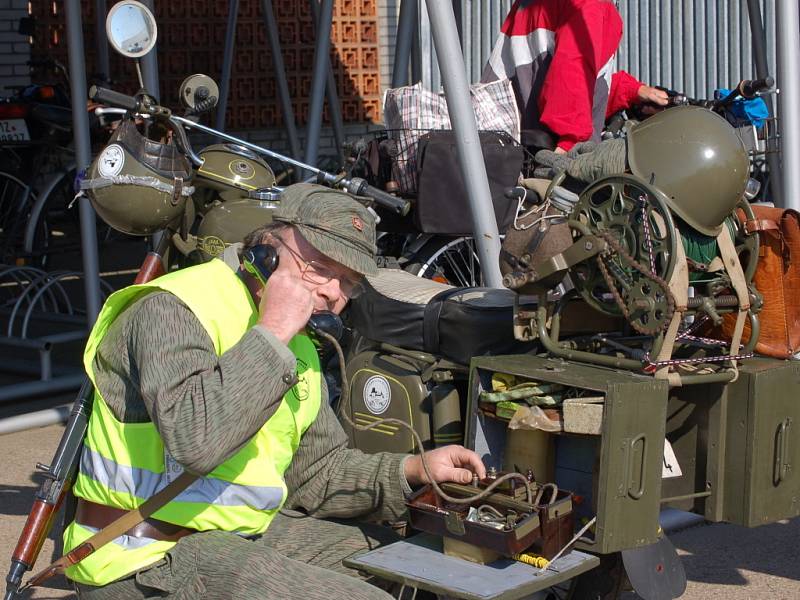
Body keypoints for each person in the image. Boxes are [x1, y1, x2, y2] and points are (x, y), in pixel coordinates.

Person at [63, 183, 486, 600]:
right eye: (319, 267)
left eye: (348, 282)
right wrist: (273, 331)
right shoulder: (173, 308)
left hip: (238, 536)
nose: (333, 293)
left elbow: (317, 473)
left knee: (410, 565)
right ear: (264, 252)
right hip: (142, 555)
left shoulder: (298, 343)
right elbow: (196, 441)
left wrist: (413, 469)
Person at [481, 0, 668, 153]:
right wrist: (572, 145)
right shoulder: (589, 5)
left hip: (496, 147)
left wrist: (629, 92)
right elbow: (570, 78)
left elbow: (542, 79)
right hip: (532, 157)